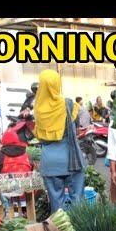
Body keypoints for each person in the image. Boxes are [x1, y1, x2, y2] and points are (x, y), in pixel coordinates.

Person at [34, 69, 86, 212]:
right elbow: (76, 128)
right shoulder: (68, 104)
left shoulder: (37, 109)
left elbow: (38, 136)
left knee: (57, 206)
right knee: (78, 202)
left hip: (50, 163)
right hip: (72, 160)